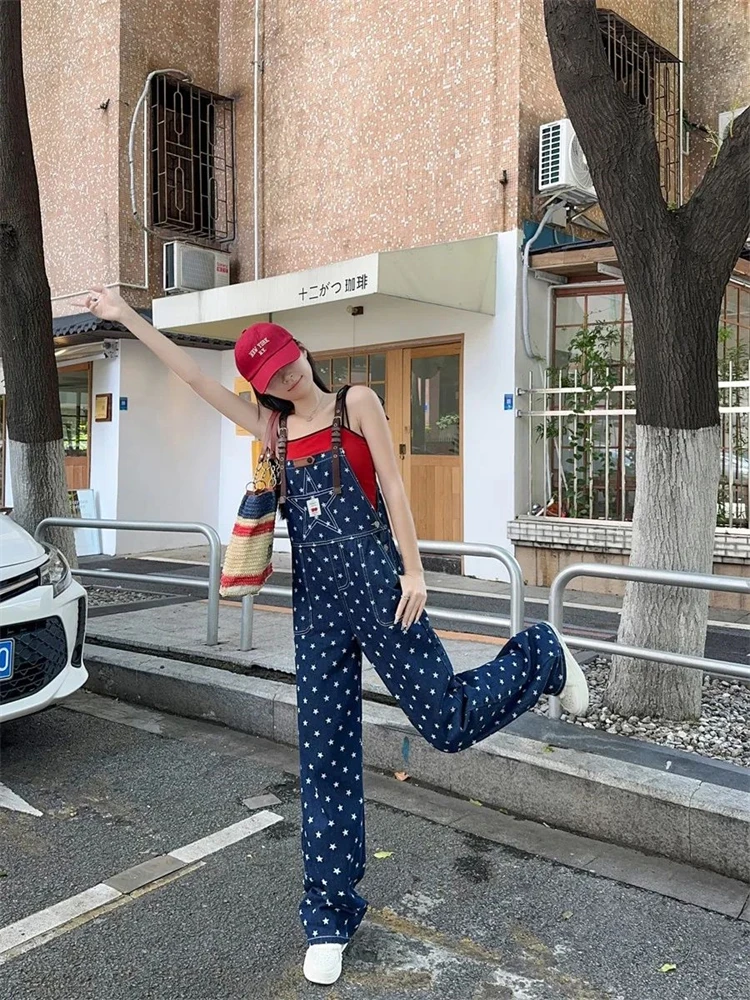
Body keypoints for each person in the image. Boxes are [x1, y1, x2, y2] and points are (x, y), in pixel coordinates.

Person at [77, 287, 589, 987]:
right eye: (269, 379)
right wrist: (125, 318)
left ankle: (540, 653)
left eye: (286, 366)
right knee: (322, 761)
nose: (284, 381)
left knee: (445, 720)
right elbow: (194, 377)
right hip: (316, 609)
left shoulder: (357, 404)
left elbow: (397, 489)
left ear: (301, 355)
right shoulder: (273, 430)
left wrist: (415, 569)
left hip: (382, 591)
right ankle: (328, 915)